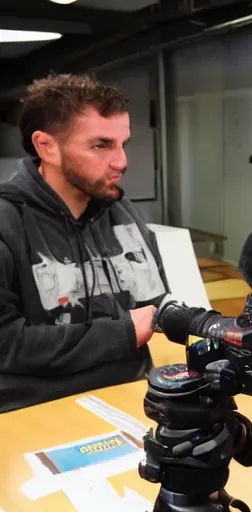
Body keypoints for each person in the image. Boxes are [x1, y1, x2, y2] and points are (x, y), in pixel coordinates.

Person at [0, 73, 169, 413]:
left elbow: (157, 311)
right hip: (37, 413)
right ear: (46, 146)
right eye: (100, 145)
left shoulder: (123, 214)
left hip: (132, 403)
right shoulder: (7, 223)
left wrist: (233, 337)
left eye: (123, 144)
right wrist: (120, 336)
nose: (121, 161)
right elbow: (5, 344)